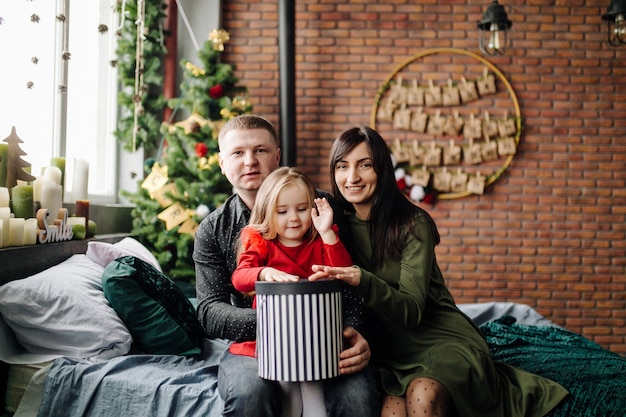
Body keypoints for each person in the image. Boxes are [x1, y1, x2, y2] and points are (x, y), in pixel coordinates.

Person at [309, 126, 569, 417]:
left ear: (382, 170)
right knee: (391, 412)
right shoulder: (334, 226)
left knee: (424, 394)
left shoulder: (412, 223)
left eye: (364, 165)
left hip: (440, 340)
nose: (352, 177)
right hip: (392, 352)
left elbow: (411, 310)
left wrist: (362, 279)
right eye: (342, 166)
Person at [193, 115, 380, 417]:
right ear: (222, 163)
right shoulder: (214, 228)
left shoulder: (321, 209)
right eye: (238, 153)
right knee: (250, 395)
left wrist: (356, 331)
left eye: (260, 150)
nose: (250, 161)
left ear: (277, 156)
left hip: (328, 335)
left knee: (358, 398)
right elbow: (209, 311)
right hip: (252, 343)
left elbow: (350, 281)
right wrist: (282, 321)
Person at [230, 166, 357, 417]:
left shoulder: (320, 240)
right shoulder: (260, 241)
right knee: (287, 384)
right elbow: (239, 278)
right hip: (275, 337)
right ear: (268, 212)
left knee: (314, 385)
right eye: (282, 211)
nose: (294, 219)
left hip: (317, 334)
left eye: (301, 209)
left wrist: (326, 231)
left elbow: (345, 271)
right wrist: (264, 273)